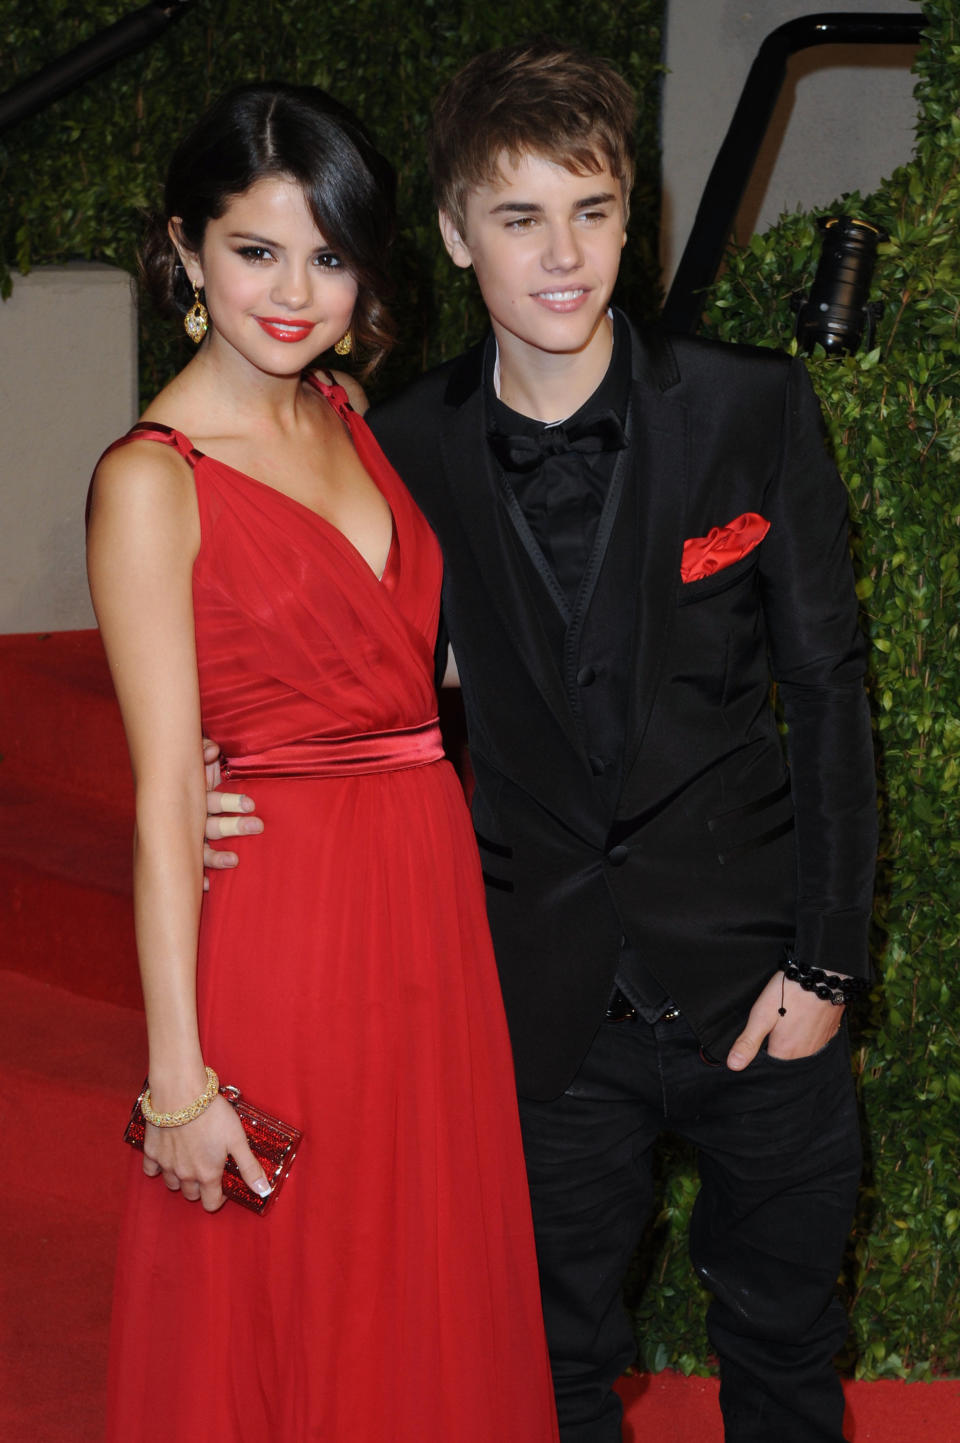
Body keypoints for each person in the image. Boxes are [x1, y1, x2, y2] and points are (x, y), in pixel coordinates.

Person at [203, 42, 877, 1443]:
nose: (563, 257)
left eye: (594, 211)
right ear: (455, 236)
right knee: (547, 1370)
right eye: (519, 217)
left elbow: (828, 697)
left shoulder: (752, 410)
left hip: (763, 982)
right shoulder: (393, 449)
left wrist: (825, 960)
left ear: (637, 220)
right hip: (533, 1008)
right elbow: (340, 666)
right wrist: (233, 775)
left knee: (786, 1344)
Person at [87, 81, 559, 1443]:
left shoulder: (345, 407)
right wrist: (177, 1076)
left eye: (331, 255)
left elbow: (398, 667)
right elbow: (168, 795)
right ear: (185, 248)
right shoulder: (152, 479)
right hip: (287, 932)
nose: (296, 293)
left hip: (425, 909)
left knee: (422, 1279)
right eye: (256, 251)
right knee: (298, 1296)